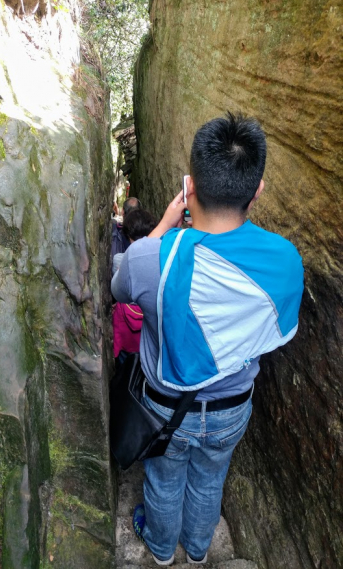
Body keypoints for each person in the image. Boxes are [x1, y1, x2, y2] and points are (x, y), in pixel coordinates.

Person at [111, 112, 304, 566]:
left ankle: (160, 550)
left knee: (163, 480)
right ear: (256, 190)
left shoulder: (151, 258)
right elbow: (274, 335)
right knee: (209, 480)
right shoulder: (286, 262)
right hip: (232, 408)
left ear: (189, 185)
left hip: (163, 405)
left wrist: (163, 225)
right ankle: (198, 551)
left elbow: (119, 285)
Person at [112, 210, 157, 369]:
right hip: (151, 324)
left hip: (127, 327)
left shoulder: (120, 259)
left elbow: (117, 291)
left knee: (126, 367)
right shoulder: (165, 255)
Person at [111, 196, 142, 261]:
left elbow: (113, 223)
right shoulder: (146, 232)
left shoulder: (116, 228)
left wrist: (114, 214)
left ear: (122, 212)